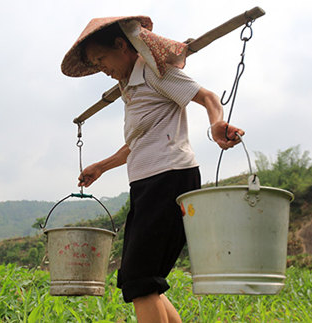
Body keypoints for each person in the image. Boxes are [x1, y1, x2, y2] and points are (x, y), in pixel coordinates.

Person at [61, 16, 244, 323]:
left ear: (121, 45)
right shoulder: (129, 87)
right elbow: (138, 143)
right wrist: (101, 167)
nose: (101, 68)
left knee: (140, 279)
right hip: (147, 184)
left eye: (101, 59)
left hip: (170, 178)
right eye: (94, 63)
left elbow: (208, 97)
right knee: (143, 280)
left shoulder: (154, 72)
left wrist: (215, 124)